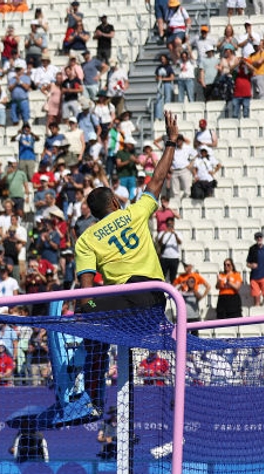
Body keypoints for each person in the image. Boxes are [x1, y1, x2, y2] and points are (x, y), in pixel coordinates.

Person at [72, 111, 180, 412]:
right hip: (157, 300)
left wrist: (87, 313)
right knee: (94, 316)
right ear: (116, 202)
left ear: (93, 215)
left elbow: (86, 290)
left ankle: (90, 397)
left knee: (85, 314)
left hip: (124, 303)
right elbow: (157, 178)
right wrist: (171, 140)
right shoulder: (134, 212)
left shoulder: (87, 239)